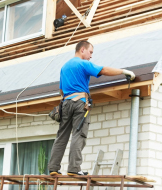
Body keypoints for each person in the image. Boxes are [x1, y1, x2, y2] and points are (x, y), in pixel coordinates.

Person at [48, 41, 135, 176]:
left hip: (65, 103)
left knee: (62, 136)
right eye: (90, 52)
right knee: (79, 134)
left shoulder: (64, 67)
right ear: (82, 50)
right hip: (80, 103)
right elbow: (103, 70)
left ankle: (53, 169)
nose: (91, 56)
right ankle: (74, 169)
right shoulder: (83, 64)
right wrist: (124, 71)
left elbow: (61, 90)